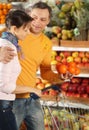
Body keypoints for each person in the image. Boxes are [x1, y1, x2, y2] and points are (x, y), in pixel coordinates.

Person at [13, 2, 60, 130]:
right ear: (28, 15)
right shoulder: (13, 32)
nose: (37, 22)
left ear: (48, 21)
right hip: (10, 98)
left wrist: (61, 77)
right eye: (34, 17)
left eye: (43, 19)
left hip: (32, 97)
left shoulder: (46, 43)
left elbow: (45, 72)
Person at [0, 9, 42, 130]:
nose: (29, 33)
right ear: (14, 29)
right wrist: (32, 89)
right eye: (25, 29)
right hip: (3, 105)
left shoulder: (8, 44)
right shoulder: (9, 49)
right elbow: (4, 86)